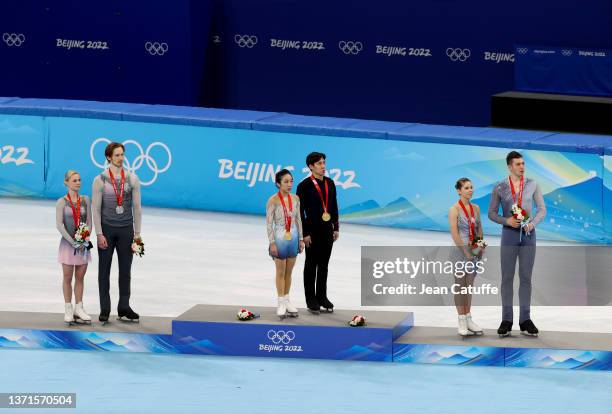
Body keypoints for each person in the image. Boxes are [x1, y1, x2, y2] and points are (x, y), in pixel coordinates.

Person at [488, 151, 546, 337]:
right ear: (509, 167)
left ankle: (525, 319)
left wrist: (532, 224)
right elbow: (491, 213)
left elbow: (542, 210)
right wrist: (507, 221)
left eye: (523, 163)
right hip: (509, 235)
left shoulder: (532, 184)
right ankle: (507, 319)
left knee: (526, 278)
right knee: (507, 278)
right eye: (518, 164)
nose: (522, 167)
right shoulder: (500, 187)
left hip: (529, 236)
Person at [92, 142, 142, 324]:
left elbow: (137, 207)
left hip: (126, 230)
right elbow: (96, 209)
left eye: (122, 155)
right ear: (108, 157)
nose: (121, 158)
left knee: (125, 271)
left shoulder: (132, 179)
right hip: (107, 230)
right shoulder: (100, 180)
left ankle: (124, 307)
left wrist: (137, 234)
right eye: (117, 155)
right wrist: (99, 234)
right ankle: (105, 308)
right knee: (104, 271)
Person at [296, 152, 339, 314]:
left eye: (324, 163)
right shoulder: (304, 186)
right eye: (320, 163)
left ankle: (322, 296)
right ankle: (311, 299)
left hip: (327, 230)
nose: (323, 166)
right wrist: (304, 233)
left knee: (324, 265)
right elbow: (300, 212)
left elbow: (334, 206)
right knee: (311, 264)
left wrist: (336, 227)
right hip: (312, 232)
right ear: (311, 166)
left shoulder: (330, 183)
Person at [56, 170, 93, 325]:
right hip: (68, 244)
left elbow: (89, 222)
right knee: (67, 277)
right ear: (67, 182)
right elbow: (59, 224)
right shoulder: (62, 202)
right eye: (74, 180)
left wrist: (86, 237)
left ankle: (79, 307)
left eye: (79, 180)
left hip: (83, 245)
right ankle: (68, 308)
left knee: (80, 277)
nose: (78, 182)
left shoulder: (85, 200)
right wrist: (72, 242)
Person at [266, 169, 305, 318]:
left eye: (291, 181)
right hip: (280, 237)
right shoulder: (273, 201)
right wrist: (272, 243)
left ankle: (287, 300)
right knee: (280, 272)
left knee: (289, 272)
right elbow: (269, 224)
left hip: (293, 237)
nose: (289, 184)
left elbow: (298, 219)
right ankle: (280, 301)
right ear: (278, 183)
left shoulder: (296, 199)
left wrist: (301, 239)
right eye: (286, 182)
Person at [448, 178, 484, 336]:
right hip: (459, 252)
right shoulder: (454, 209)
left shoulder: (476, 208)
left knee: (469, 287)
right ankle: (461, 319)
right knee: (460, 287)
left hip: (473, 252)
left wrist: (479, 247)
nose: (470, 190)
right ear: (459, 191)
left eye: (471, 187)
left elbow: (479, 229)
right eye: (467, 188)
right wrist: (466, 252)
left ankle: (469, 319)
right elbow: (455, 234)